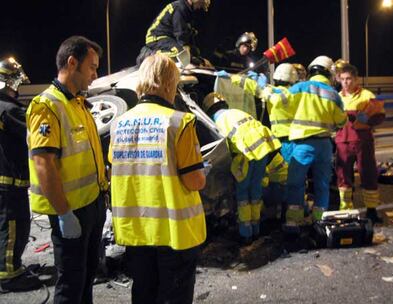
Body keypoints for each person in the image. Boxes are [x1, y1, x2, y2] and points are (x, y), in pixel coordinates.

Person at [109, 54, 206, 304]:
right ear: (169, 83)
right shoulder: (179, 122)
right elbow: (194, 181)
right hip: (175, 234)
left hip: (137, 231)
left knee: (143, 293)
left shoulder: (118, 124)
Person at [26, 36, 108, 303]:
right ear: (72, 63)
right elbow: (43, 163)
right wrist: (63, 212)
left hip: (91, 206)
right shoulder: (47, 105)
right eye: (92, 67)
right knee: (71, 285)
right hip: (71, 211)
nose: (96, 75)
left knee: (86, 277)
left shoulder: (78, 104)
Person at [202, 92, 281, 243]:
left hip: (245, 155)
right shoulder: (237, 112)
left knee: (243, 193)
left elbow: (222, 147)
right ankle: (256, 228)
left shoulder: (217, 121)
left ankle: (246, 233)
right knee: (256, 189)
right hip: (262, 150)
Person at [282, 56, 347, 233]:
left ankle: (293, 224)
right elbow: (341, 121)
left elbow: (281, 103)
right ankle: (319, 223)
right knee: (322, 184)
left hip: (303, 145)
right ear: (328, 73)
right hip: (325, 145)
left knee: (296, 183)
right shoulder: (334, 95)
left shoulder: (300, 88)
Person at [0, 57, 41, 293]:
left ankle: (11, 266)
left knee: (6, 227)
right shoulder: (8, 109)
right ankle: (9, 276)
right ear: (9, 83)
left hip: (5, 181)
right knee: (13, 227)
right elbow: (34, 133)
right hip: (8, 183)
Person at [335, 63, 385, 223]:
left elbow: (380, 116)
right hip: (343, 142)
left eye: (349, 79)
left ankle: (371, 210)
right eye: (342, 79)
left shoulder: (366, 95)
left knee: (368, 174)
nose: (346, 82)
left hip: (363, 142)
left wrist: (368, 119)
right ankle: (346, 210)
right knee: (343, 176)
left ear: (356, 79)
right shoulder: (337, 97)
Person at [136, 0, 211, 66]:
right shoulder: (179, 7)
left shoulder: (188, 11)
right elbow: (180, 32)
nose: (200, 7)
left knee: (193, 52)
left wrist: (198, 57)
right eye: (201, 4)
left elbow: (187, 34)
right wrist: (186, 51)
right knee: (180, 53)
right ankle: (149, 56)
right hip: (157, 37)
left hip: (170, 38)